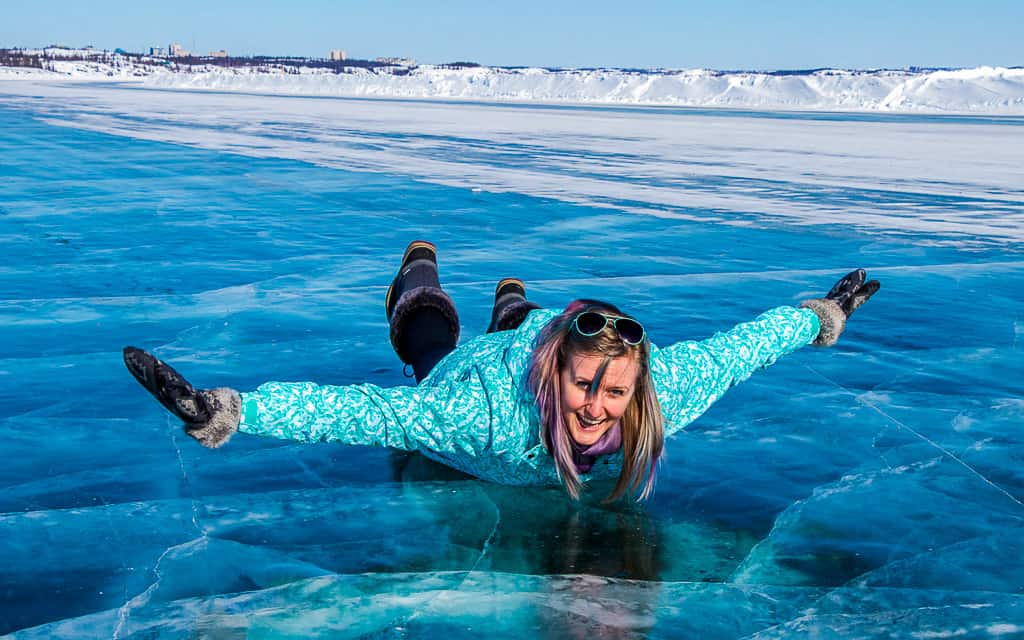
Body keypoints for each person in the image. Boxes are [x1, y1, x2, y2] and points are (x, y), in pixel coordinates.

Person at [124, 240, 879, 502]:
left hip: (536, 339)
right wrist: (230, 409)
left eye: (612, 390)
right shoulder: (473, 420)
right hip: (477, 375)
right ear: (557, 376)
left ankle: (515, 301)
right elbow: (362, 413)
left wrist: (820, 316)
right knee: (429, 350)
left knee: (523, 317)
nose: (596, 406)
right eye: (585, 385)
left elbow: (739, 347)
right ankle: (419, 275)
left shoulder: (658, 393)